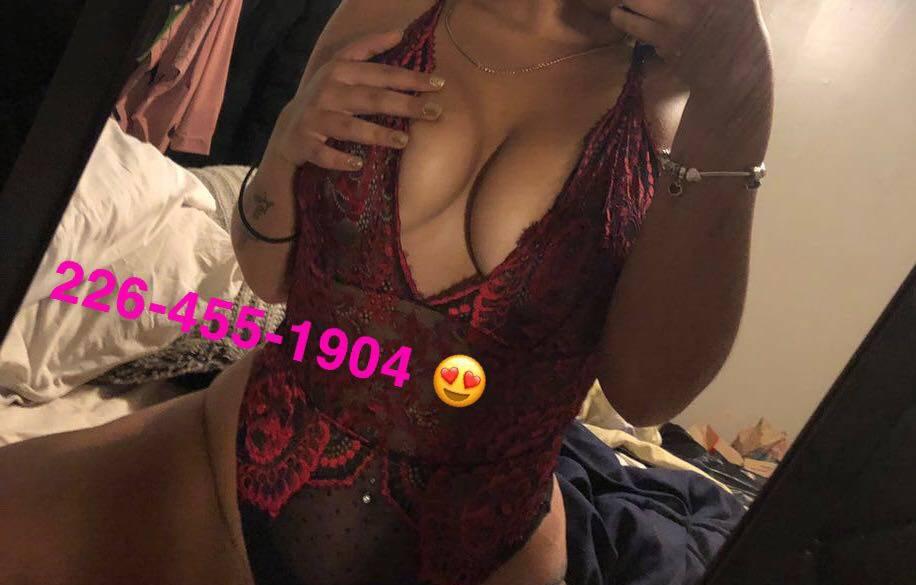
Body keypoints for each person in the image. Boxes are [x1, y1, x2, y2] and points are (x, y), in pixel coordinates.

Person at [0, 1, 773, 584]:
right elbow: (265, 271)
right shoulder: (388, 11)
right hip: (217, 477)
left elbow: (646, 392)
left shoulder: (682, 98)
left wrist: (742, 100)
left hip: (485, 556)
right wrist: (283, 150)